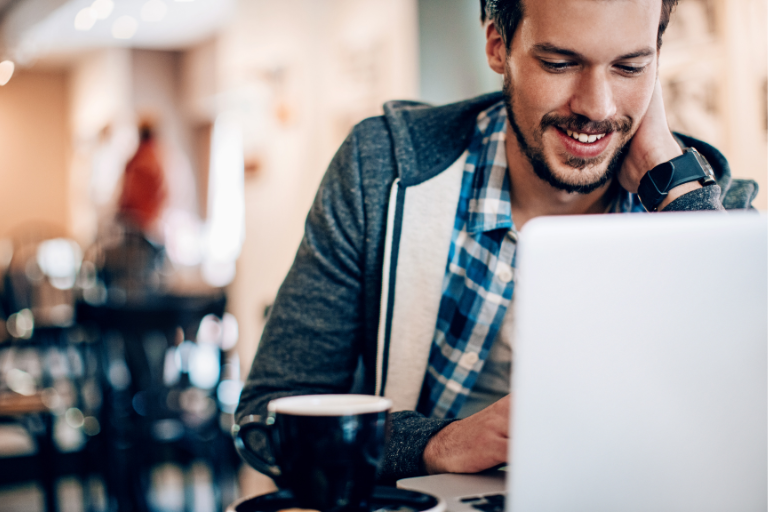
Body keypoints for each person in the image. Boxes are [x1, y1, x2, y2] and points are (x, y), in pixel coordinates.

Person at [235, 0, 758, 483]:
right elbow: (267, 420)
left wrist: (673, 186)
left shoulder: (707, 207)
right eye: (560, 62)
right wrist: (437, 443)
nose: (597, 108)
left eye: (629, 66)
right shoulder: (383, 170)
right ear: (496, 45)